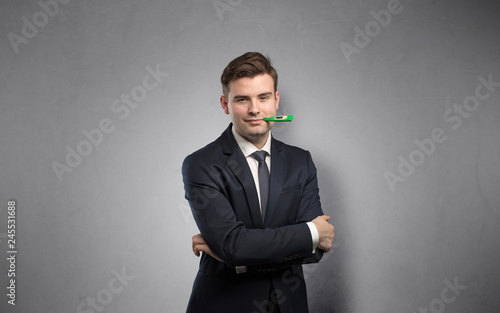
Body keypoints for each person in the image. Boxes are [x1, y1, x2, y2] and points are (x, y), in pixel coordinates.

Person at [182, 52, 335, 313]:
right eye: (242, 99)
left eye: (263, 97)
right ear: (225, 104)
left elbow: (318, 250)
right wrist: (309, 233)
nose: (255, 109)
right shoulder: (202, 164)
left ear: (276, 101)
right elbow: (235, 246)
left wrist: (235, 256)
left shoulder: (301, 162)